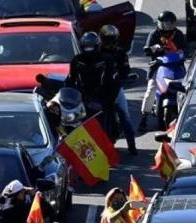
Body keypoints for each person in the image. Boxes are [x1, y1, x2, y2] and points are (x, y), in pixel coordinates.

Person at [139, 11, 187, 132]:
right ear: (160, 24)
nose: (168, 27)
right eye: (165, 24)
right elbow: (146, 50)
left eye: (170, 24)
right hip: (158, 68)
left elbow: (184, 50)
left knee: (186, 88)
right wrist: (153, 49)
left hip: (177, 67)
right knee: (150, 90)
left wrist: (181, 54)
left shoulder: (179, 34)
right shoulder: (154, 34)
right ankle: (144, 117)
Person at [67, 32, 117, 137]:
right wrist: (66, 94)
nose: (88, 48)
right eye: (86, 46)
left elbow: (111, 79)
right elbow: (70, 80)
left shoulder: (107, 59)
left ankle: (130, 145)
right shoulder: (76, 60)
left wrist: (109, 98)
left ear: (97, 45)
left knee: (123, 113)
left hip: (103, 96)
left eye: (91, 46)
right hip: (82, 97)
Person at [100, 25, 138, 155]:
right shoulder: (97, 53)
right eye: (106, 40)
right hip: (100, 90)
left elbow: (126, 70)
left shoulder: (121, 53)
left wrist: (120, 77)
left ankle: (131, 145)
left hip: (116, 89)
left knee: (124, 114)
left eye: (112, 40)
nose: (109, 44)